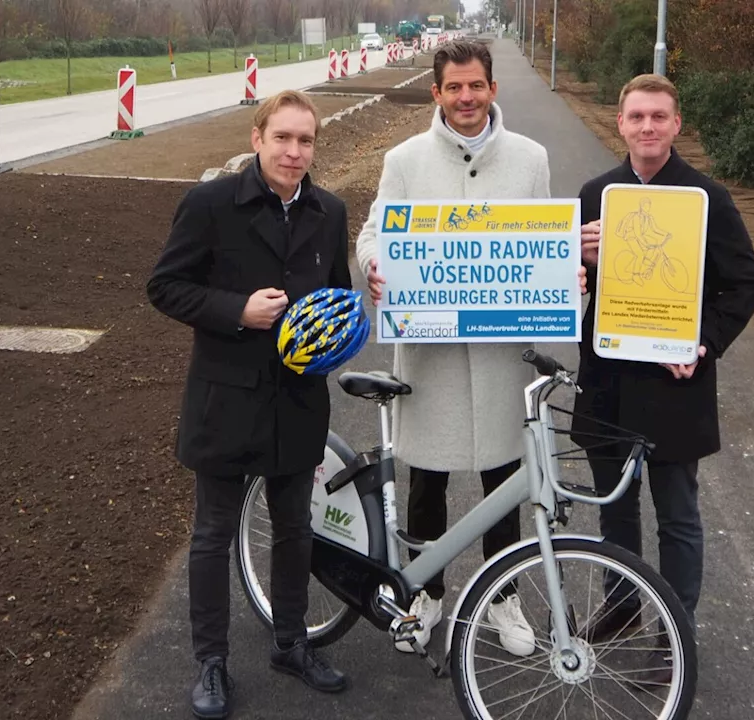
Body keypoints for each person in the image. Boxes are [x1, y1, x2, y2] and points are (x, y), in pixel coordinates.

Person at [355, 39, 585, 658]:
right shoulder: (403, 159)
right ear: (436, 93)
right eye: (454, 88)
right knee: (425, 479)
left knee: (504, 477)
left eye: (475, 86)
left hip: (499, 355)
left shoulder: (530, 159)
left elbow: (546, 238)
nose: (465, 98)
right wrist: (377, 263)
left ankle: (501, 598)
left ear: (492, 88)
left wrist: (565, 274)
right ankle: (426, 594)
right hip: (429, 358)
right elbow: (376, 230)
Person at [146, 89, 353, 720]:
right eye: (283, 138)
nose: (294, 152)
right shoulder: (211, 204)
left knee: (295, 531)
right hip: (227, 399)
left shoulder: (329, 210)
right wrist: (235, 310)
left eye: (306, 140)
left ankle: (290, 642)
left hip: (296, 402)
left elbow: (336, 296)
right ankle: (211, 662)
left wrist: (340, 331)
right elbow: (165, 286)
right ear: (257, 137)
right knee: (212, 535)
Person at [571, 74, 754, 675]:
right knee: (614, 509)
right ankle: (623, 605)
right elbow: (566, 283)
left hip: (675, 382)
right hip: (608, 379)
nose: (647, 127)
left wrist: (704, 343)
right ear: (620, 123)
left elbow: (745, 283)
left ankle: (675, 627)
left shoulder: (707, 198)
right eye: (637, 117)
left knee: (677, 512)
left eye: (659, 116)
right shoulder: (596, 195)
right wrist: (574, 259)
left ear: (677, 125)